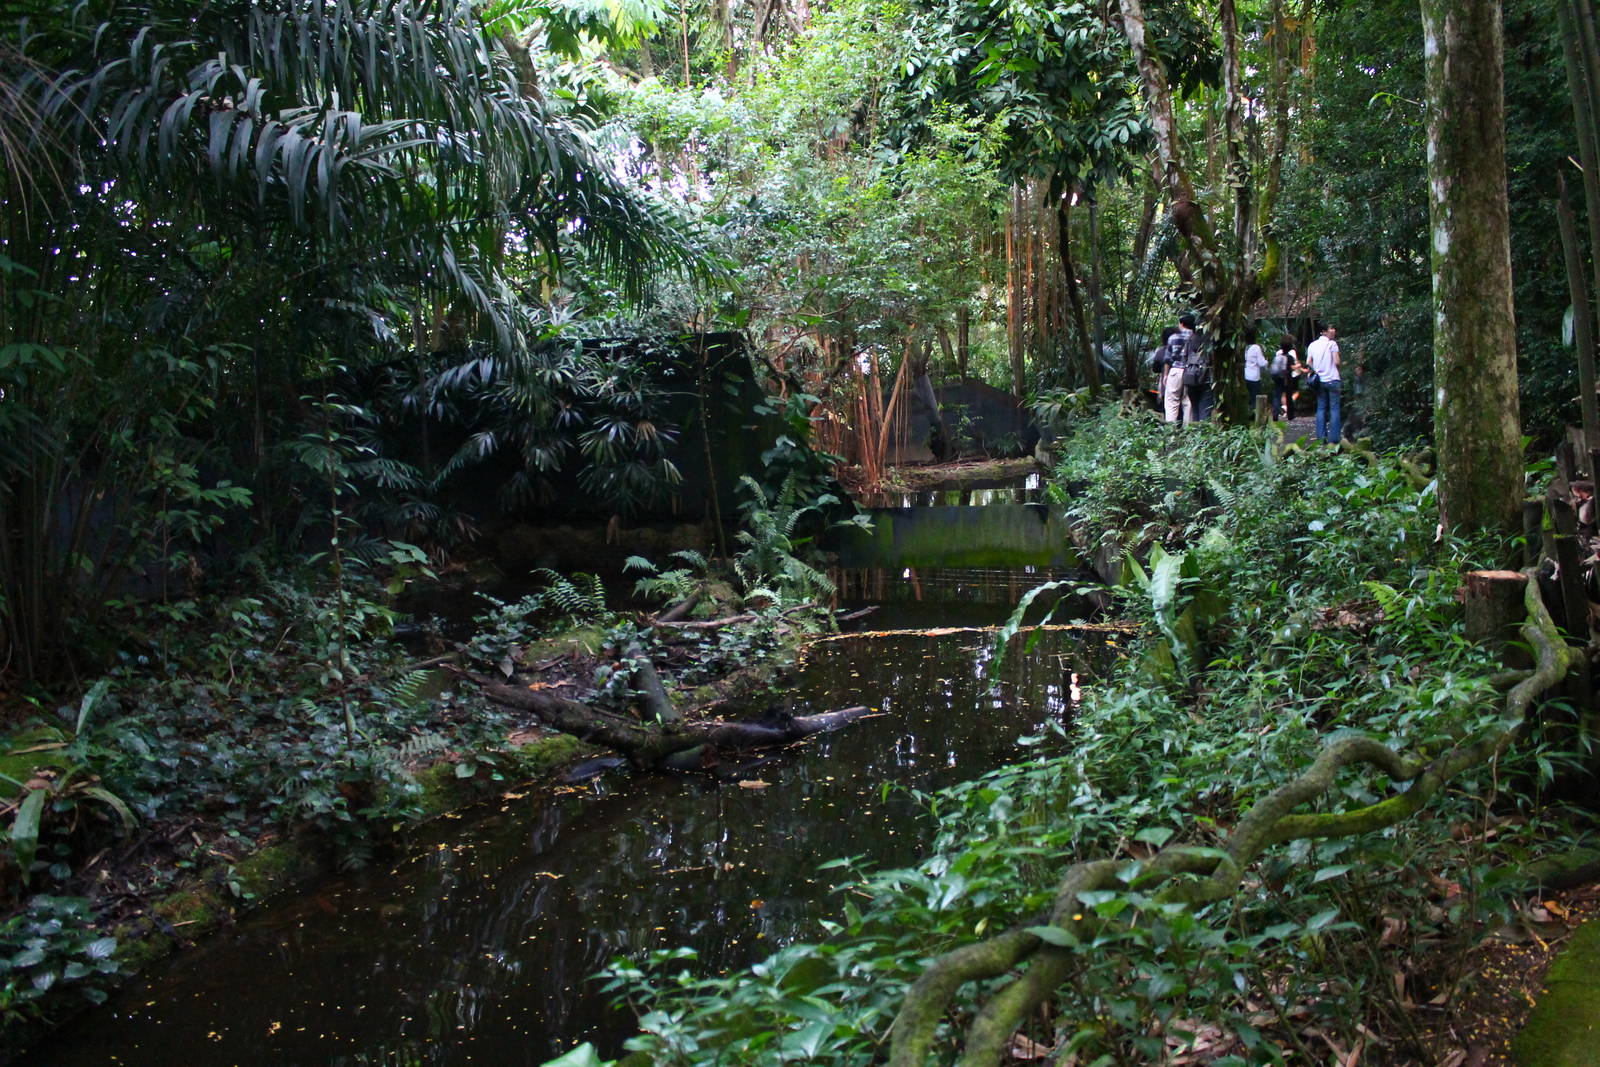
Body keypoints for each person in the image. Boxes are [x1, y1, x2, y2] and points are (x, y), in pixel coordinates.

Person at [1305, 323, 1342, 443]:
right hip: (1333, 379)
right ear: (1323, 331)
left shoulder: (1312, 345)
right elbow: (1336, 362)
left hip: (1320, 380)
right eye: (1330, 328)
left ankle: (1321, 438)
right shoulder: (1332, 344)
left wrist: (1316, 369)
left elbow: (1308, 361)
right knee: (1334, 409)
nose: (1333, 330)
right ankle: (1334, 439)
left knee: (1321, 408)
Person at [1163, 316, 1195, 424]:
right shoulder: (1196, 336)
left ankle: (1170, 430)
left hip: (1176, 370)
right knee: (1188, 402)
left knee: (1172, 401)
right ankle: (1188, 431)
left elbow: (1168, 359)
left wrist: (1166, 375)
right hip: (1191, 372)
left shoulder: (1173, 337)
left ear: (1181, 323)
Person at [1269, 334, 1296, 420]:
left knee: (1277, 396)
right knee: (1289, 397)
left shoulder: (1278, 356)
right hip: (1287, 379)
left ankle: (1275, 415)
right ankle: (1290, 415)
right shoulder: (1290, 357)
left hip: (1278, 378)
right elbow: (1292, 368)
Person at [1242, 328, 1268, 412]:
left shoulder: (1244, 347)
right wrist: (1266, 361)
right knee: (1255, 398)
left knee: (1247, 398)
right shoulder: (1256, 348)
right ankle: (1254, 414)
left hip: (1245, 375)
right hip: (1254, 377)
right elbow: (1261, 363)